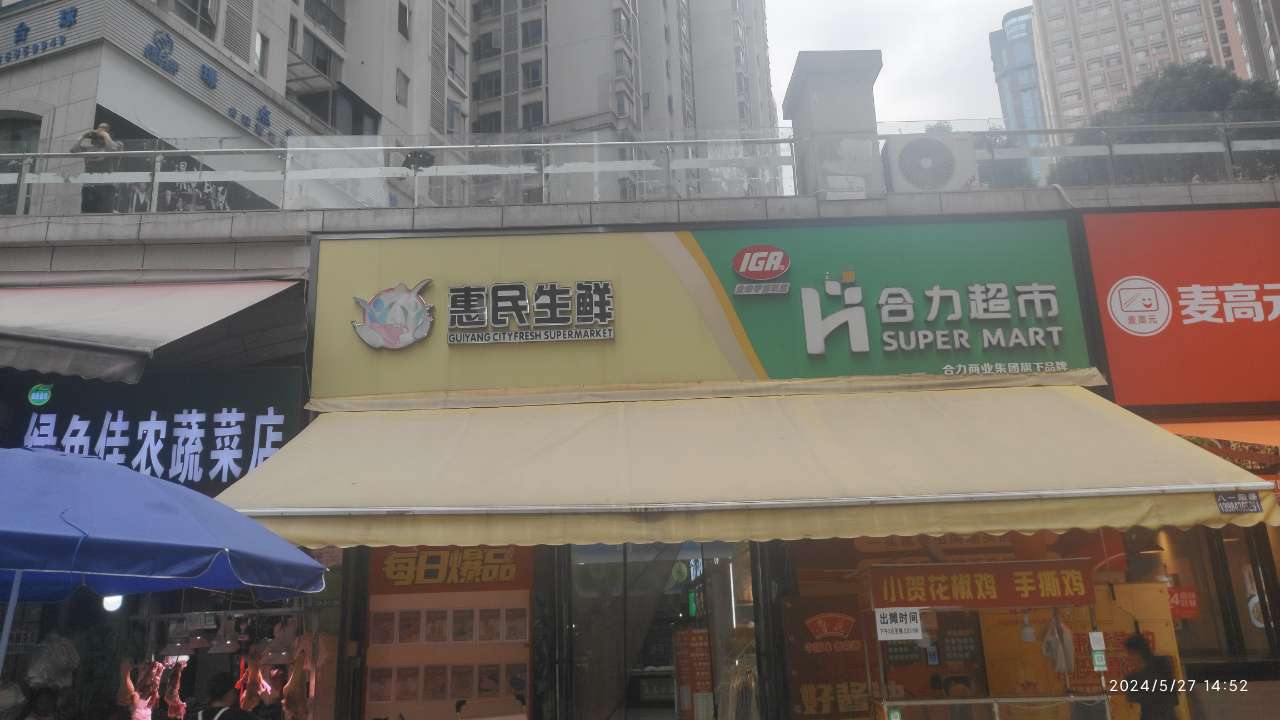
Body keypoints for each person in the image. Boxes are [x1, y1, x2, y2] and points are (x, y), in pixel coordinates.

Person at [69, 123, 123, 212]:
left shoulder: (115, 145)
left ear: (110, 134)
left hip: (106, 186)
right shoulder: (89, 149)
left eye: (104, 130)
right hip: (89, 186)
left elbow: (113, 149)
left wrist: (105, 135)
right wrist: (83, 136)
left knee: (105, 213)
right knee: (87, 213)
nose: (99, 135)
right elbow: (73, 150)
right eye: (99, 130)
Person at [1122, 634, 1178, 720]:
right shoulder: (1163, 663)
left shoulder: (1161, 664)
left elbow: (1132, 697)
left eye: (1131, 653)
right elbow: (1173, 694)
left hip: (1156, 714)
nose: (1130, 657)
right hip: (1164, 714)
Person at [186, 673, 255, 720]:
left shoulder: (193, 717)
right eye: (235, 690)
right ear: (229, 693)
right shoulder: (238, 716)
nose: (236, 694)